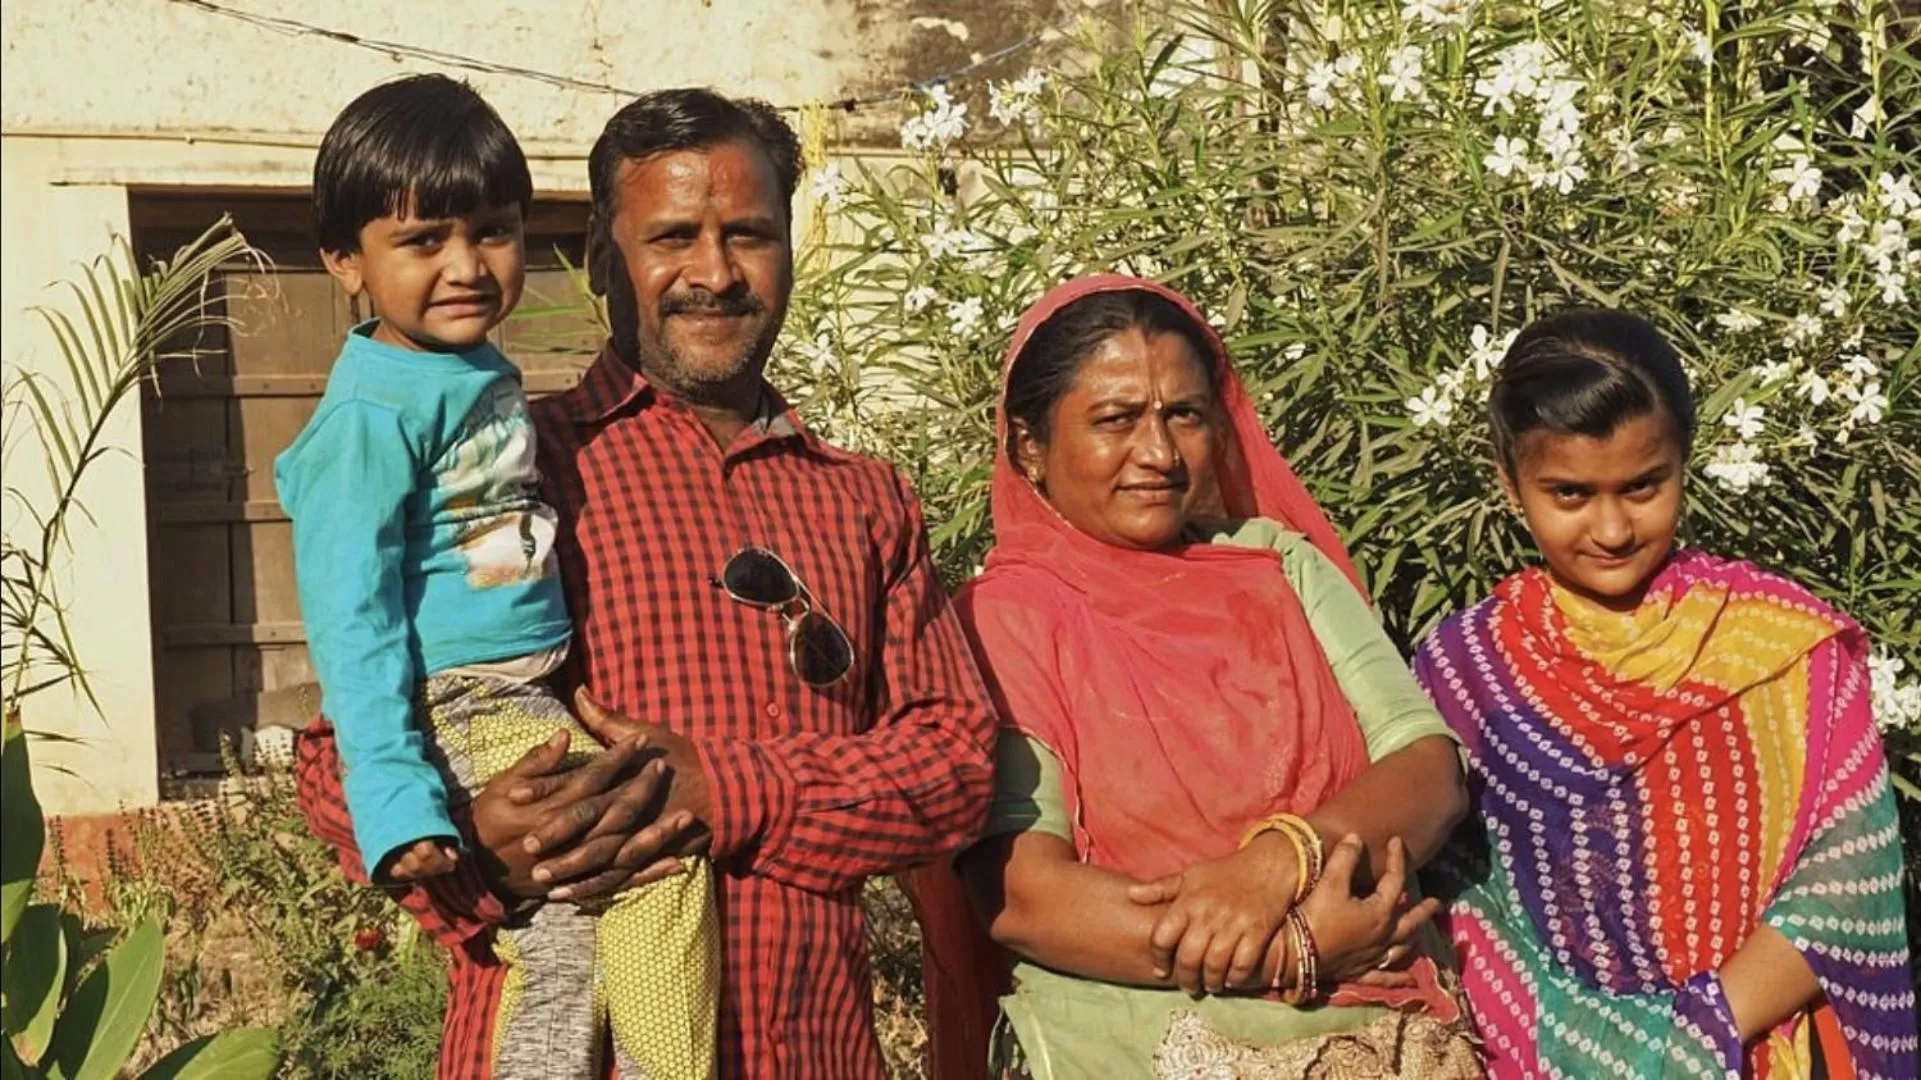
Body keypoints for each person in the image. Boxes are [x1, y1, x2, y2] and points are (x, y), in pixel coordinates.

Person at [287, 87, 998, 1079]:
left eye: (748, 234)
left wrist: (734, 790)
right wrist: (476, 842)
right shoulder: (506, 466)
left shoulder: (866, 502)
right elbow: (333, 754)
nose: (713, 273)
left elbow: (956, 767)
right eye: (673, 237)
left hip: (817, 1052)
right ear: (600, 260)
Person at [276, 74, 717, 1080]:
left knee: (572, 928)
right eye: (424, 240)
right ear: (346, 263)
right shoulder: (370, 418)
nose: (467, 266)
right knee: (648, 863)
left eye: (493, 230)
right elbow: (353, 621)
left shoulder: (461, 371)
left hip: (521, 691)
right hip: (467, 704)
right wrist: (398, 806)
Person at [946, 275, 1481, 1077]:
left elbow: (1427, 767)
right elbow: (1028, 897)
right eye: (1115, 419)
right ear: (1029, 446)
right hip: (1127, 1043)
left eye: (1184, 415)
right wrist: (1293, 947)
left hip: (1380, 1037)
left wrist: (1278, 861)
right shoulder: (1007, 616)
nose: (1158, 453)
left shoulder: (1280, 568)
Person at [1414, 309, 1918, 1077]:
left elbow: (1851, 870)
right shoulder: (1469, 669)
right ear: (1509, 482)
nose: (1612, 528)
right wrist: (1592, 1043)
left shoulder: (1780, 646)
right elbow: (1457, 891)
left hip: (1766, 1044)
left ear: (1684, 458)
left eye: (1644, 486)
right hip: (1549, 1053)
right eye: (1570, 494)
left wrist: (1700, 1030)